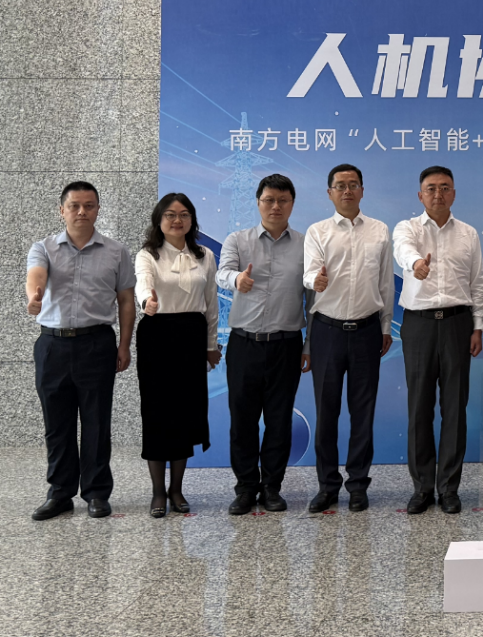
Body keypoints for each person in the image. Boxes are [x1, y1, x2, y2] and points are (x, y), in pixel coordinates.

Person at [26, 181, 136, 521]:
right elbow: (36, 275)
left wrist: (124, 345)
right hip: (52, 345)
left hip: (96, 343)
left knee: (96, 421)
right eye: (74, 205)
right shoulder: (43, 247)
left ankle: (96, 493)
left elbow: (126, 300)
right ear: (62, 210)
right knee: (56, 423)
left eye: (89, 205)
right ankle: (60, 493)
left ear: (98, 209)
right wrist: (35, 295)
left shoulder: (116, 252)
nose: (81, 211)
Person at [393, 166, 483, 515]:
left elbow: (478, 281)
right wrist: (416, 263)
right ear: (420, 195)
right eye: (431, 188)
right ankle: (421, 488)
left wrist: (478, 326)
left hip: (457, 324)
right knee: (419, 407)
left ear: (454, 194)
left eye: (445, 188)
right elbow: (402, 250)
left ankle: (449, 487)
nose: (438, 194)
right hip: (418, 324)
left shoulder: (468, 233)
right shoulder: (407, 229)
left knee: (455, 408)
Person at [215, 174, 311, 515]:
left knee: (279, 420)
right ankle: (245, 488)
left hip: (287, 345)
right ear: (258, 202)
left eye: (283, 200)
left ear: (292, 204)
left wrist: (309, 345)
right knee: (242, 420)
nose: (275, 206)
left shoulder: (306, 245)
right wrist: (236, 279)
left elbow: (313, 299)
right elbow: (221, 273)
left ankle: (272, 487)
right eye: (269, 200)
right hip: (244, 344)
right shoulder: (238, 240)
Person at [303, 164, 395, 513]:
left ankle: (358, 484)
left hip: (367, 331)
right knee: (326, 413)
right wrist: (315, 281)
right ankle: (327, 485)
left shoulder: (379, 230)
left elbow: (385, 283)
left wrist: (386, 327)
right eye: (340, 185)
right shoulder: (318, 231)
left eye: (353, 184)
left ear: (362, 190)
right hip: (326, 331)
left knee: (363, 412)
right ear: (329, 193)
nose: (347, 190)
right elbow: (310, 271)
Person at [134, 193, 221, 518]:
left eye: (184, 214)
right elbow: (143, 282)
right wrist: (147, 301)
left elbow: (211, 303)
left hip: (191, 336)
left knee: (185, 413)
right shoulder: (148, 254)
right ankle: (158, 491)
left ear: (192, 220)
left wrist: (211, 345)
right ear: (159, 220)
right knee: (157, 414)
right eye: (170, 214)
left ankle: (177, 489)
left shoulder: (205, 256)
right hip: (157, 334)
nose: (177, 220)